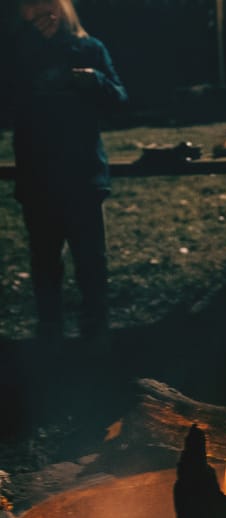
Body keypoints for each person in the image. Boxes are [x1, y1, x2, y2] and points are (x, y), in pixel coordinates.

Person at [1, 0, 127, 344]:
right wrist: (26, 48)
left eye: (48, 3)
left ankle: (96, 337)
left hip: (83, 174)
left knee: (91, 263)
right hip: (38, 175)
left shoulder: (88, 49)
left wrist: (95, 80)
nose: (42, 11)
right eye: (31, 5)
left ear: (64, 9)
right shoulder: (16, 53)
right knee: (44, 263)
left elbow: (119, 100)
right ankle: (50, 339)